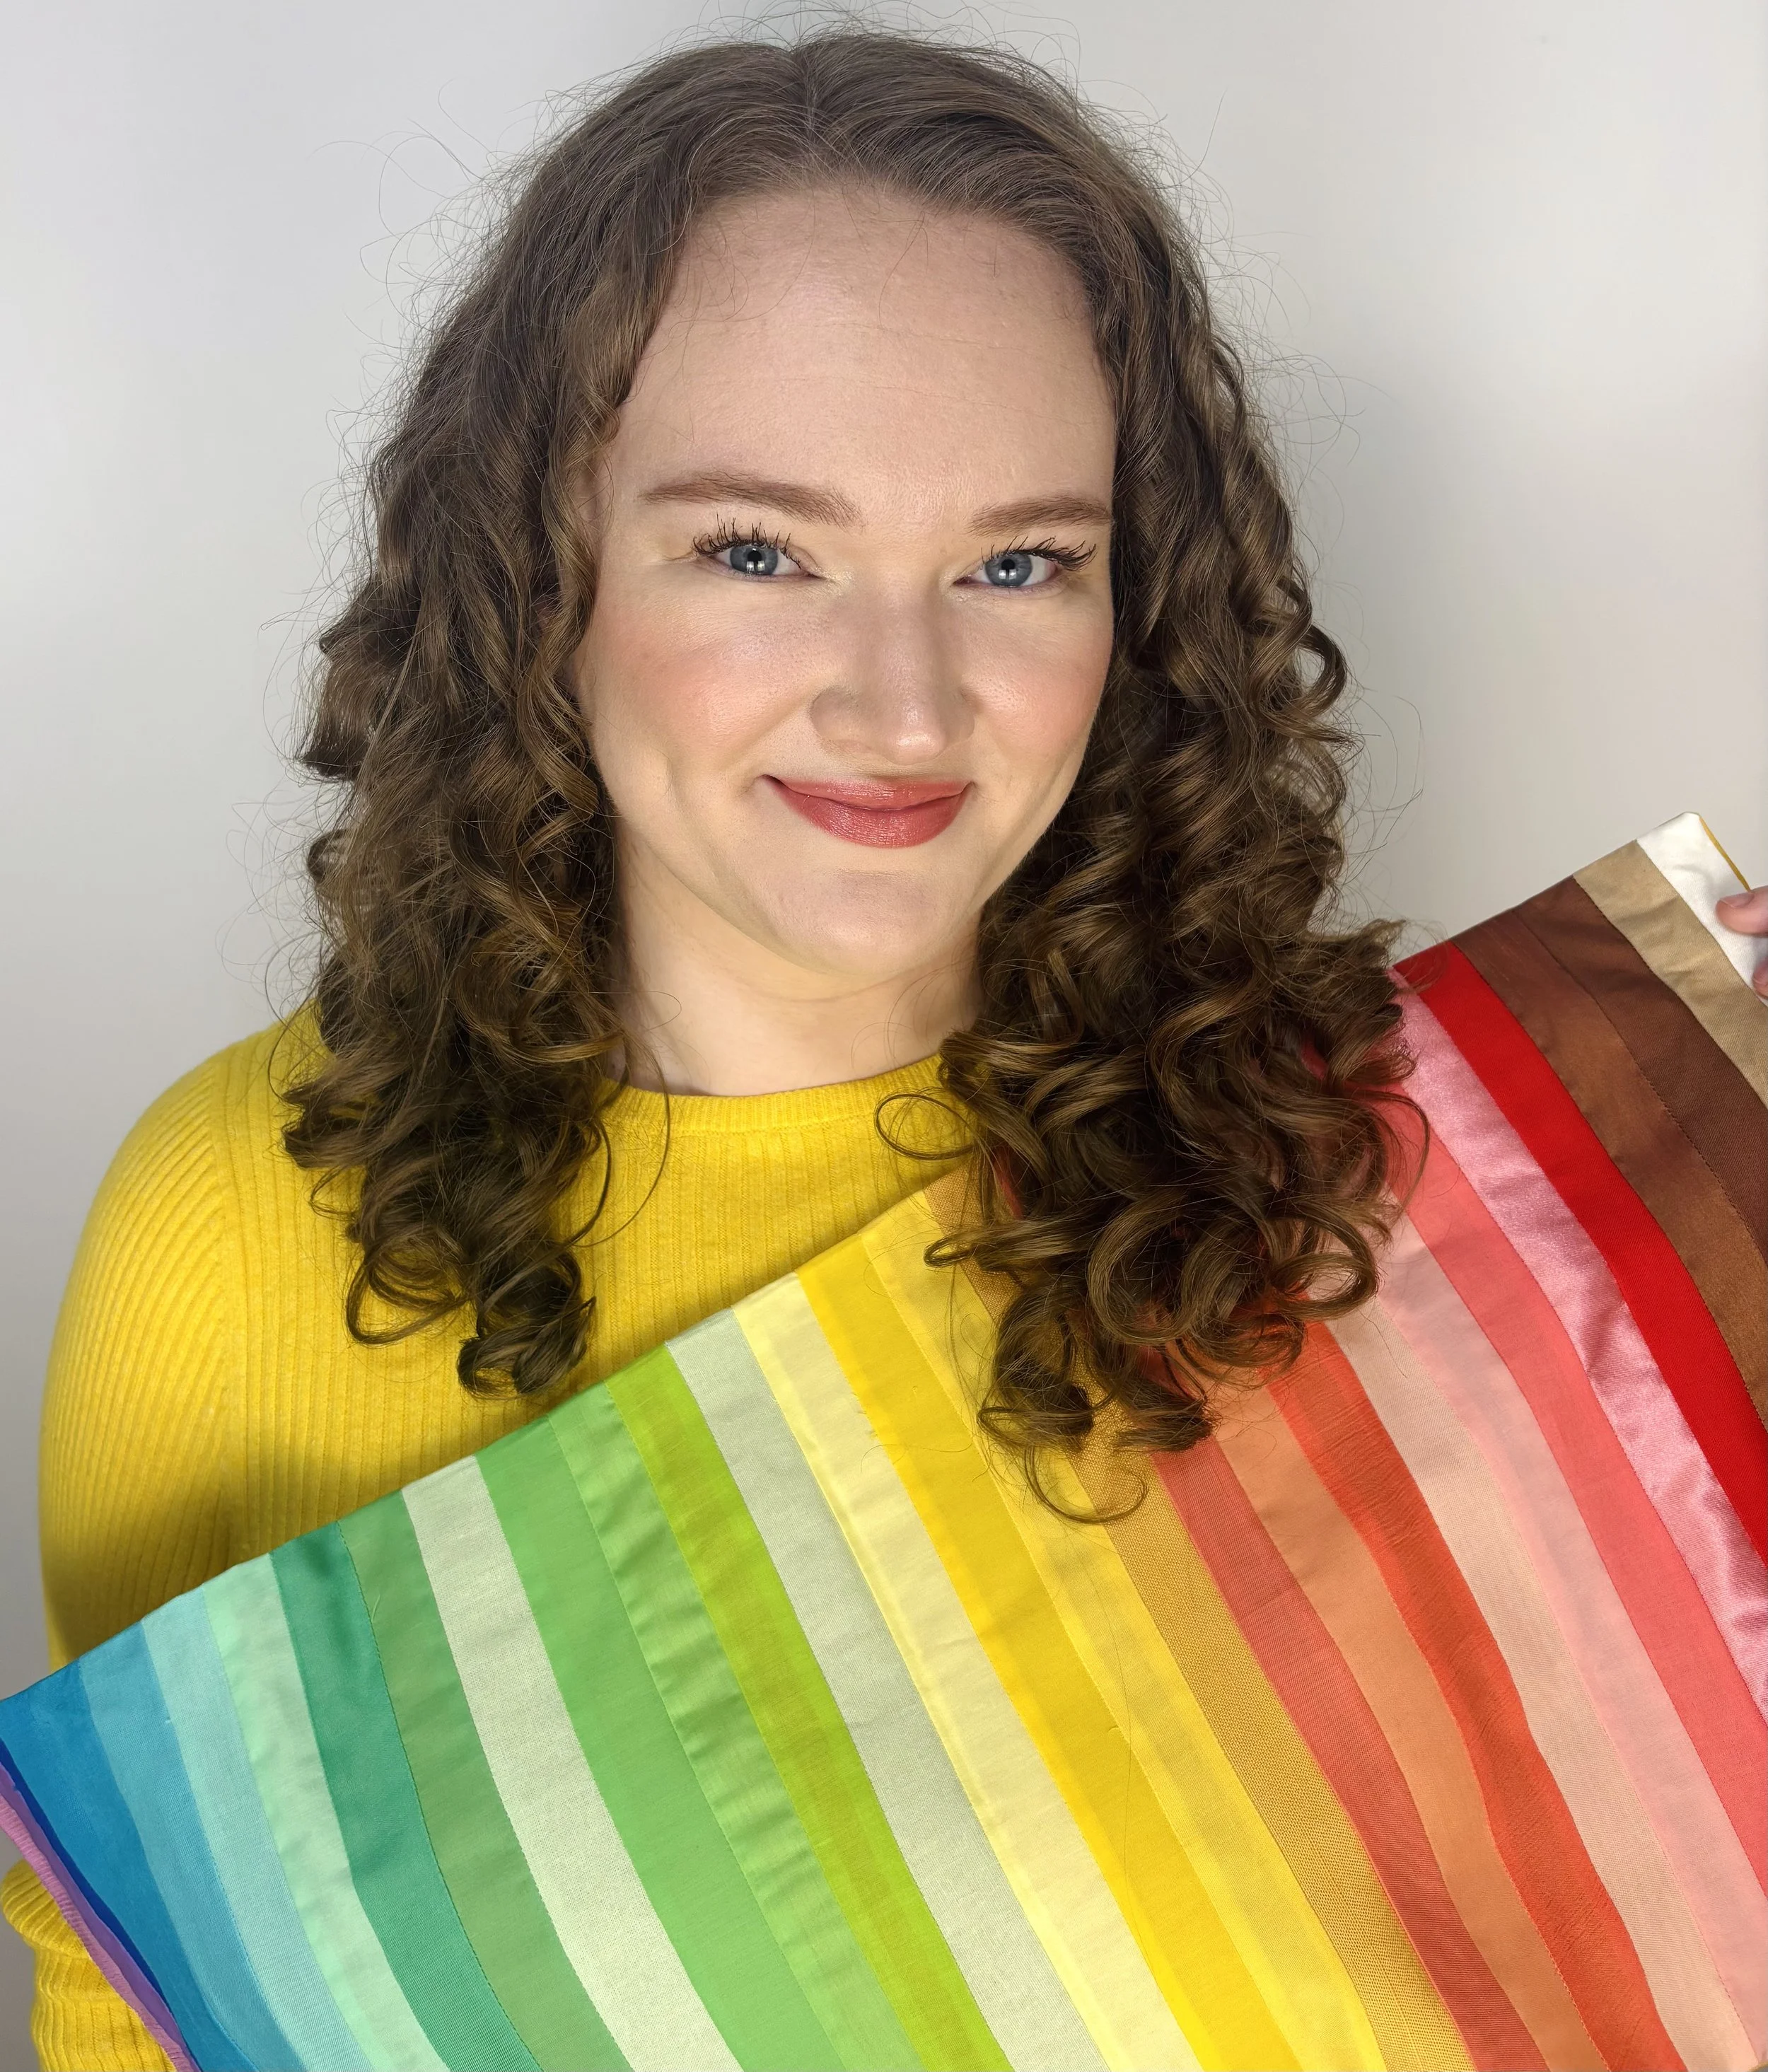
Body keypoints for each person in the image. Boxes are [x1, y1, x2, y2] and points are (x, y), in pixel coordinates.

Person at [4, 28, 1764, 2072]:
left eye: (1019, 564)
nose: (904, 706)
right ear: (544, 570)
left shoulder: (1414, 1184)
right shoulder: (240, 1226)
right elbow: (147, 1999)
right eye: (758, 549)